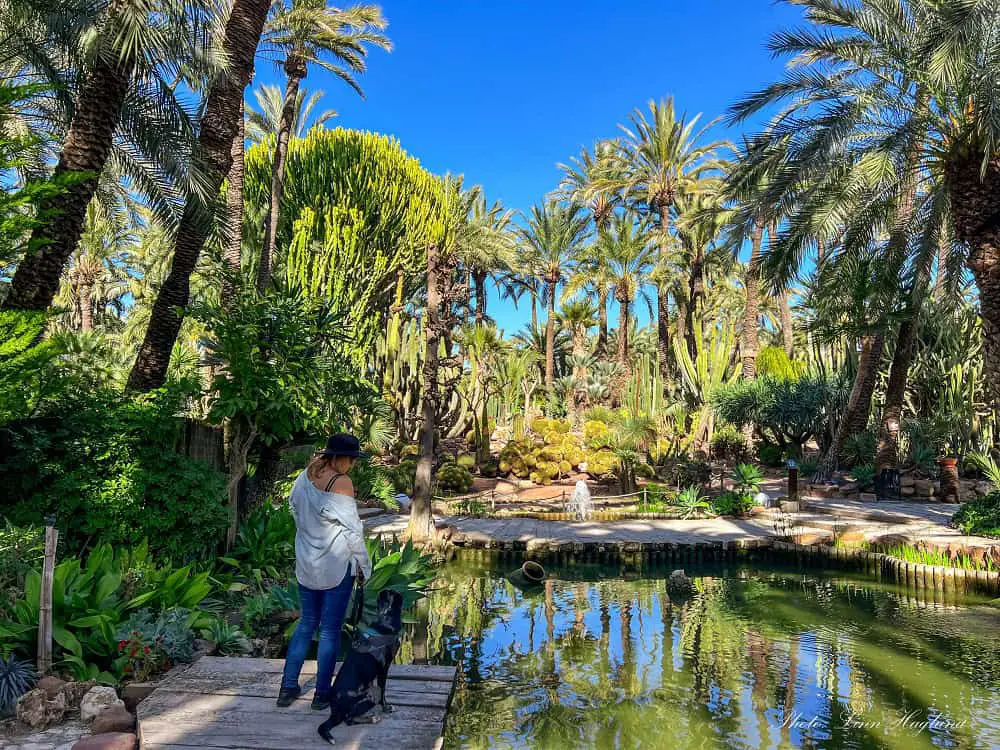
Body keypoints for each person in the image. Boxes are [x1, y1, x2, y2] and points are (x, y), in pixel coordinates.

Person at [277, 433, 373, 709]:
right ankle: (321, 695)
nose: (353, 465)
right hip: (335, 566)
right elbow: (353, 532)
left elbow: (293, 507)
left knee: (306, 624)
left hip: (307, 563)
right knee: (330, 630)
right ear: (339, 458)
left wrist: (307, 535)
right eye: (351, 459)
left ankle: (287, 689)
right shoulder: (341, 483)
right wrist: (364, 566)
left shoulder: (305, 476)